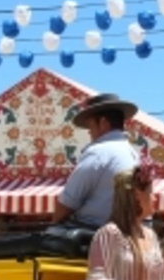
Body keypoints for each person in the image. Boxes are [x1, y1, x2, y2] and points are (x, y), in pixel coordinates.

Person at [52, 93, 140, 228]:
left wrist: (54, 223)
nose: (89, 133)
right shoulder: (133, 154)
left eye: (91, 126)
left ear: (103, 123)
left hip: (92, 235)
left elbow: (67, 204)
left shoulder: (98, 152)